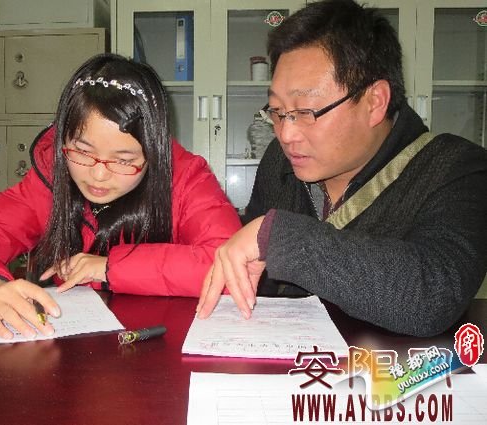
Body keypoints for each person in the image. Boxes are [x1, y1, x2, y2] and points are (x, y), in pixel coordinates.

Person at [197, 0, 487, 337]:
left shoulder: (457, 168)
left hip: (392, 368)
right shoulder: (280, 161)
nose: (286, 134)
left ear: (374, 102)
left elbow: (434, 296)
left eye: (306, 111)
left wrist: (281, 238)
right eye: (277, 111)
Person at [0, 53, 241, 339]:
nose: (98, 175)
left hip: (162, 348)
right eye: (82, 152)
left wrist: (109, 268)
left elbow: (232, 268)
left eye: (124, 161)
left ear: (153, 151)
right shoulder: (50, 181)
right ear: (63, 139)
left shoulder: (186, 178)